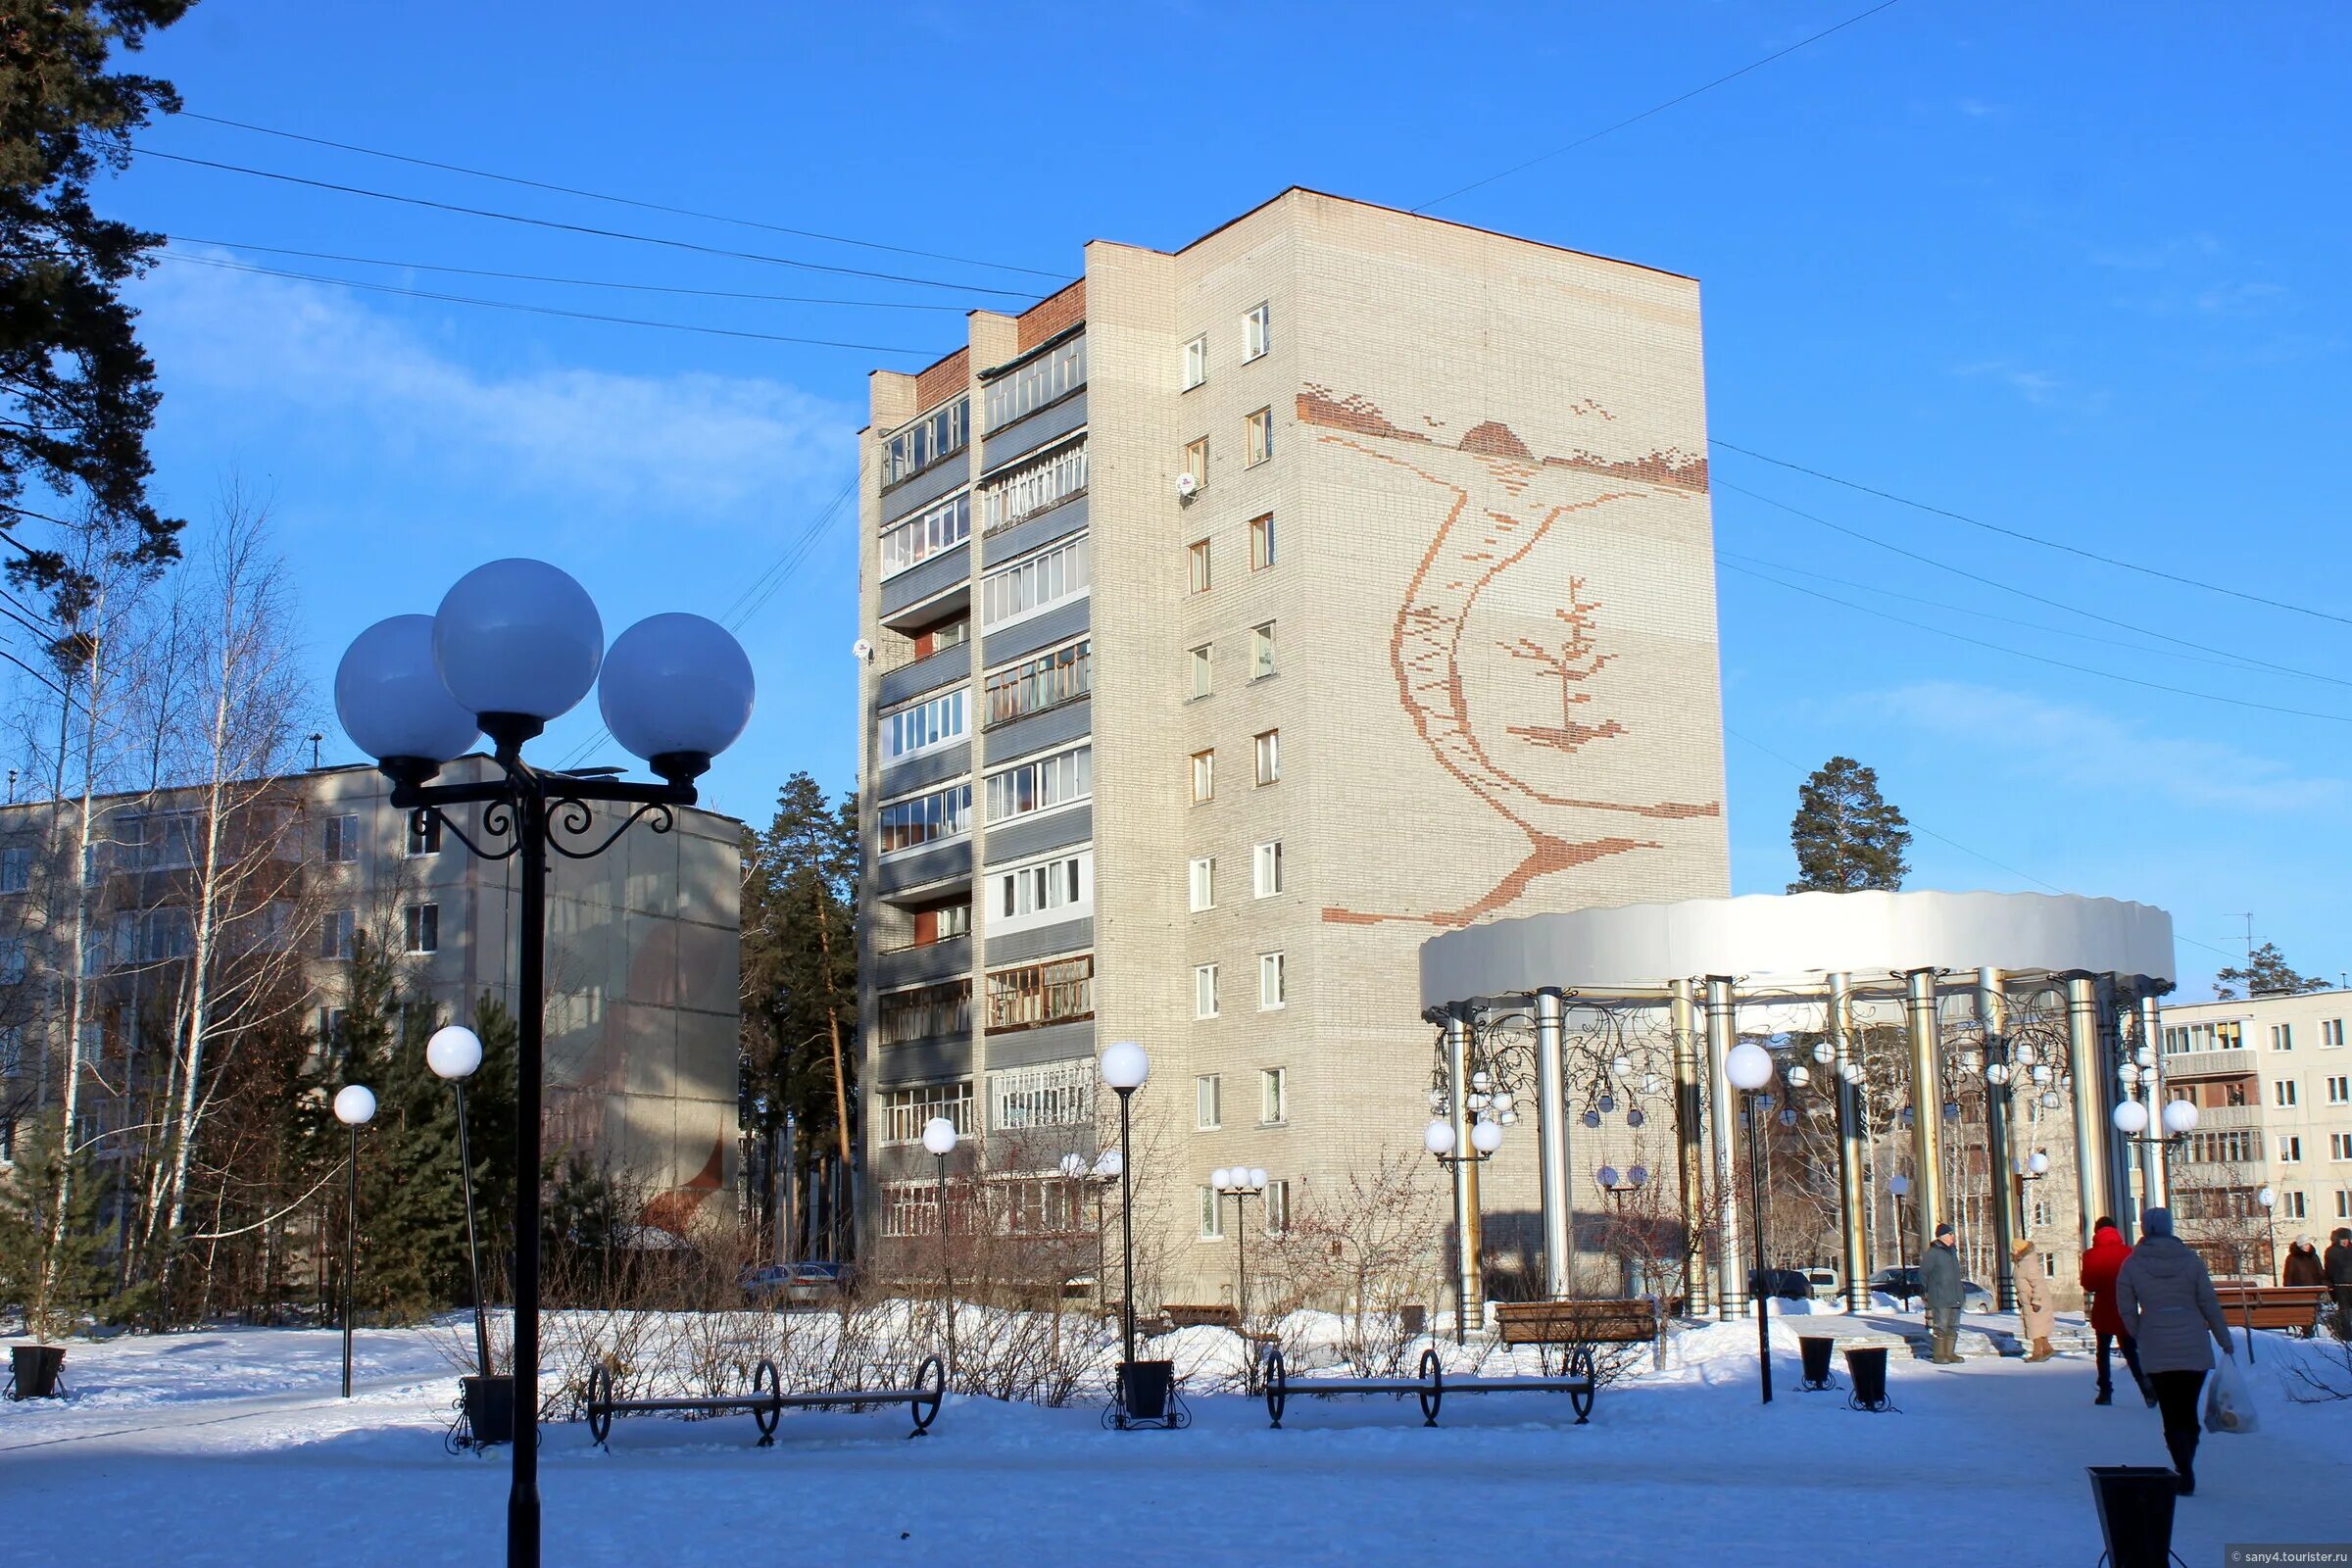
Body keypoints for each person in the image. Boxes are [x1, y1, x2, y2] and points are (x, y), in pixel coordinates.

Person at [2114, 1206, 2234, 1497]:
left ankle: (2183, 1467)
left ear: (2144, 1228)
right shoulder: (2191, 1260)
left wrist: (2138, 1330)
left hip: (2157, 1343)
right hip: (2193, 1341)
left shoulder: (2132, 1264)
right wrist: (2223, 1339)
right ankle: (2188, 1460)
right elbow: (2208, 1302)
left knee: (2170, 1410)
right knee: (2188, 1407)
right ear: (2170, 1227)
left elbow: (2125, 1305)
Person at [2082, 1217, 2146, 1406]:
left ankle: (2105, 1391)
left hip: (2103, 1309)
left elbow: (2089, 1284)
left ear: (2096, 1232)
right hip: (2125, 1308)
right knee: (2130, 1351)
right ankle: (2146, 1388)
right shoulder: (2128, 1253)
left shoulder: (2091, 1255)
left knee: (2102, 1351)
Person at [1923, 1221, 1964, 1364]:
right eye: (1950, 1234)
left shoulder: (1952, 1251)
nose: (1953, 1236)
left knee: (1953, 1326)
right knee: (1941, 1326)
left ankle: (1950, 1353)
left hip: (1955, 1295)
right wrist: (1928, 1291)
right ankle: (1939, 1355)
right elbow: (1923, 1274)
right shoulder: (1933, 1252)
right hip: (1940, 1297)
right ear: (1942, 1236)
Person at [2013, 1238, 2056, 1361]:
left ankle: (2037, 1354)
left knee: (2036, 1327)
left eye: (2015, 1249)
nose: (2013, 1252)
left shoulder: (2028, 1263)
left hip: (2035, 1300)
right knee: (2038, 1326)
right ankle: (2047, 1349)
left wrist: (2036, 1300)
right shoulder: (2021, 1263)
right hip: (2028, 1300)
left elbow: (2038, 1284)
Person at [2328, 1228, 2352, 1337]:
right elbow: (2329, 1270)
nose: (2345, 1241)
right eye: (2343, 1239)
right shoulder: (2332, 1251)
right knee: (2344, 1312)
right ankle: (2347, 1334)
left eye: (2347, 1238)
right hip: (2340, 1286)